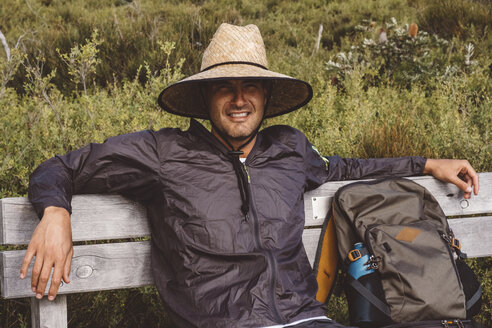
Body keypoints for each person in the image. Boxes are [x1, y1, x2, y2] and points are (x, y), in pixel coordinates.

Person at [20, 24, 479, 328]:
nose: (239, 99)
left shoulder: (290, 148)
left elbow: (346, 169)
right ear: (204, 97)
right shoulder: (163, 152)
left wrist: (424, 164)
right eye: (225, 86)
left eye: (250, 86)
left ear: (266, 94)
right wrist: (56, 212)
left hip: (305, 318)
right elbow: (60, 167)